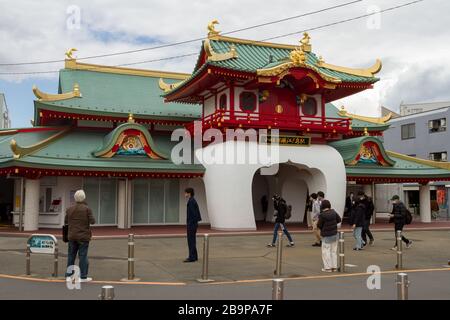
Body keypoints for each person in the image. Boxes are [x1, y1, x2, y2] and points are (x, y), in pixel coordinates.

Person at [64, 190, 95, 282]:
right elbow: (93, 221)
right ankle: (83, 276)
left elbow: (66, 222)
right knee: (83, 256)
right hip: (83, 236)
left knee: (71, 256)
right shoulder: (87, 209)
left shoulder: (69, 209)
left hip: (72, 236)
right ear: (84, 198)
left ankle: (69, 276)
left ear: (75, 198)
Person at [317, 199, 342, 272]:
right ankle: (334, 267)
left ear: (322, 206)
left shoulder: (322, 215)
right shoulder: (333, 212)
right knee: (333, 251)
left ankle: (327, 268)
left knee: (326, 251)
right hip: (334, 234)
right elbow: (339, 220)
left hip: (326, 235)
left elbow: (319, 225)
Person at [184, 187, 202, 262]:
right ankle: (194, 256)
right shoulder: (193, 200)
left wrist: (190, 224)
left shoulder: (191, 201)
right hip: (193, 224)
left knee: (191, 241)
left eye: (185, 192)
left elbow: (193, 214)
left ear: (189, 193)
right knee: (192, 240)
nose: (184, 194)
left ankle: (191, 257)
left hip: (191, 224)